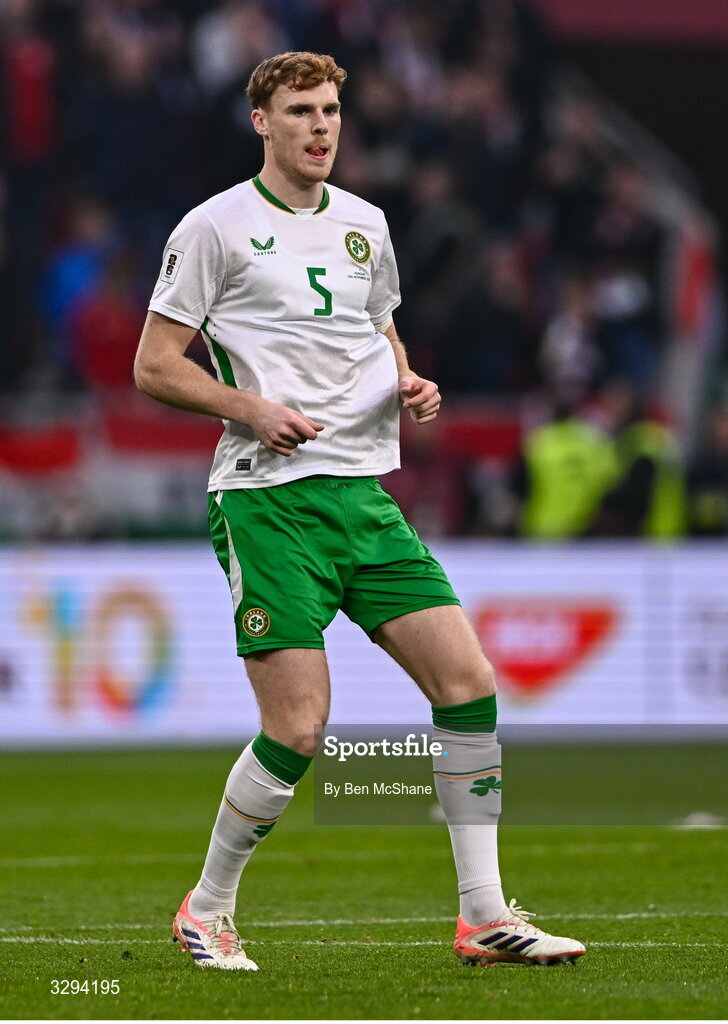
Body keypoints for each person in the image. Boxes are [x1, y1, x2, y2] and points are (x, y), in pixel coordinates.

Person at [134, 51, 585, 971]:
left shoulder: (365, 224)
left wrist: (405, 378)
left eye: (332, 109)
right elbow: (154, 364)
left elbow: (374, 326)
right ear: (261, 121)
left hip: (361, 494)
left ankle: (484, 916)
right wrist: (252, 408)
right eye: (300, 111)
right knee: (301, 728)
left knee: (468, 684)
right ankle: (206, 910)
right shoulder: (214, 227)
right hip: (267, 501)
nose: (321, 127)